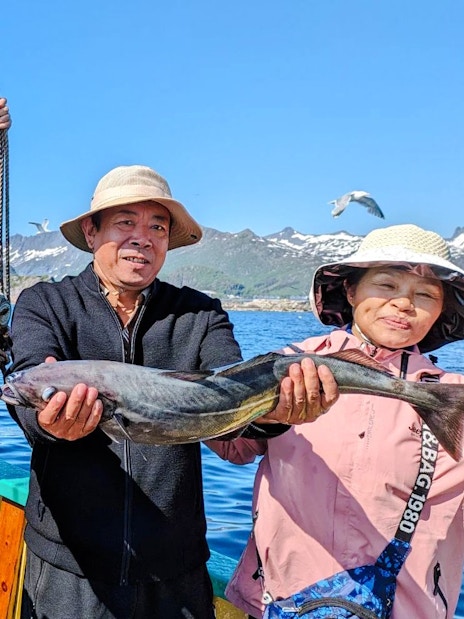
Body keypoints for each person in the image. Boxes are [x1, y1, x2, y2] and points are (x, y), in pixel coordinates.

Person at [7, 162, 338, 619]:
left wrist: (273, 414)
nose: (143, 237)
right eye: (125, 222)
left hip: (177, 571)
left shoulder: (201, 315)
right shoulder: (45, 303)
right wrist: (50, 422)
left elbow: (231, 391)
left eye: (157, 227)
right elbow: (29, 382)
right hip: (70, 570)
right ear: (91, 231)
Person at [208, 223, 464, 618]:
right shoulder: (289, 363)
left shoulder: (454, 395)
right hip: (274, 602)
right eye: (387, 286)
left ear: (441, 310)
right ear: (350, 290)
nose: (404, 304)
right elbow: (230, 444)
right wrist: (267, 418)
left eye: (425, 295)